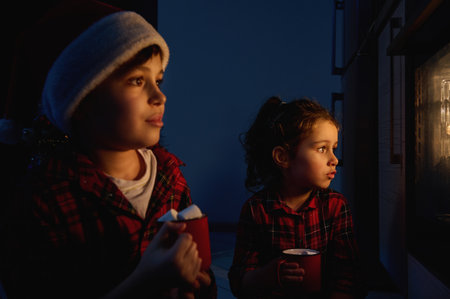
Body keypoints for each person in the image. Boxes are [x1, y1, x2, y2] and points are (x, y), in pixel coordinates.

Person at [0, 0, 216, 298]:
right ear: (82, 102)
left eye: (158, 80)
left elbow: (200, 273)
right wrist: (143, 283)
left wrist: (198, 284)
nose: (159, 96)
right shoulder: (44, 201)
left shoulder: (170, 177)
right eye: (137, 80)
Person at [228, 96, 365, 298]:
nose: (334, 160)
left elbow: (349, 274)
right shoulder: (256, 210)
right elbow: (240, 283)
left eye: (333, 149)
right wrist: (270, 275)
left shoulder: (335, 206)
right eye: (322, 149)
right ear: (283, 157)